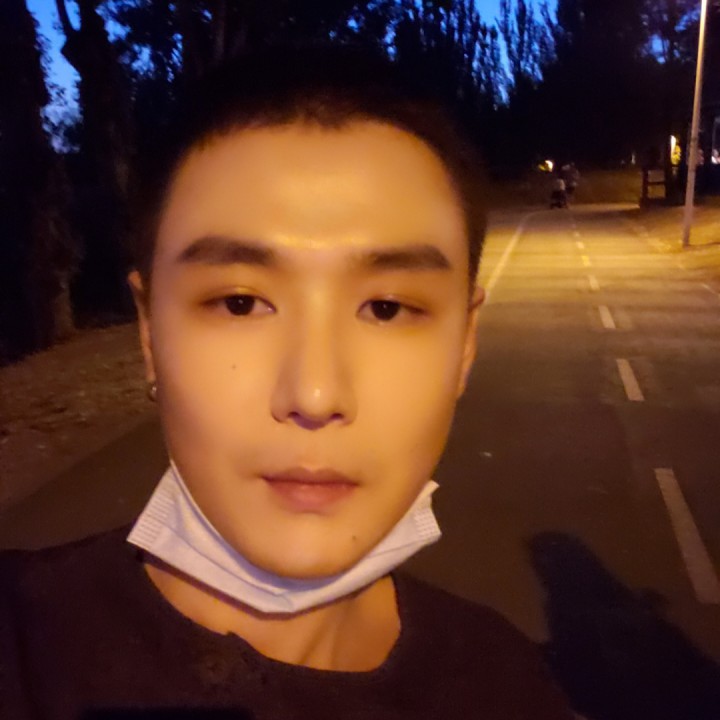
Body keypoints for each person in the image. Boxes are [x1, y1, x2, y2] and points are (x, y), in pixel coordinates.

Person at [0, 45, 574, 719]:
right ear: (150, 334)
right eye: (240, 303)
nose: (314, 395)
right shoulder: (24, 650)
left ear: (465, 345)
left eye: (387, 309)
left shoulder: (506, 687)